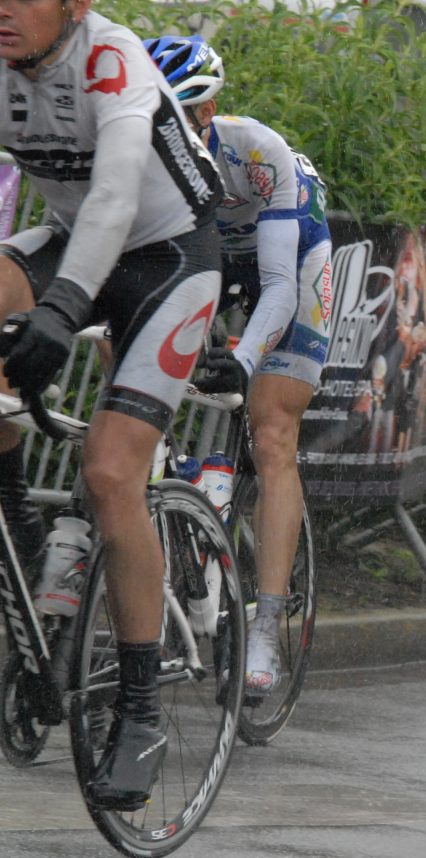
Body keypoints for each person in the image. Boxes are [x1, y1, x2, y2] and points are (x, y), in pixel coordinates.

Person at [0, 1, 223, 809]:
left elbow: (116, 197)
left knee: (109, 472)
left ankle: (138, 713)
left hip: (167, 256)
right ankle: (16, 513)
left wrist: (62, 312)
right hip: (69, 238)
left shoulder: (112, 59)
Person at [143, 35, 333, 697]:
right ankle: (187, 492)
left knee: (272, 429)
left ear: (211, 107)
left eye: (186, 112)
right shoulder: (140, 157)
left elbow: (279, 285)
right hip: (214, 261)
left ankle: (267, 625)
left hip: (292, 256)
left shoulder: (256, 152)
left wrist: (246, 359)